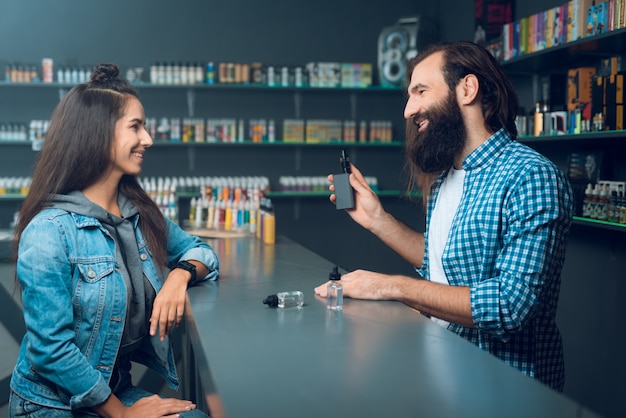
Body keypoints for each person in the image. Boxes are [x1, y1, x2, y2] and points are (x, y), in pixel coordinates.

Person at [315, 41, 573, 391]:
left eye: (421, 91)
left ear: (467, 89)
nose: (408, 110)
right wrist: (378, 220)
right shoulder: (446, 180)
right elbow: (443, 262)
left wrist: (392, 286)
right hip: (445, 375)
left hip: (505, 391)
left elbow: (510, 306)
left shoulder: (531, 176)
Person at [9, 63, 219, 417]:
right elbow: (50, 350)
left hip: (113, 390)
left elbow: (203, 252)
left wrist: (179, 276)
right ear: (98, 133)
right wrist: (122, 414)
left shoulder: (138, 214)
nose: (148, 139)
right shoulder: (49, 231)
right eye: (135, 127)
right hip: (51, 405)